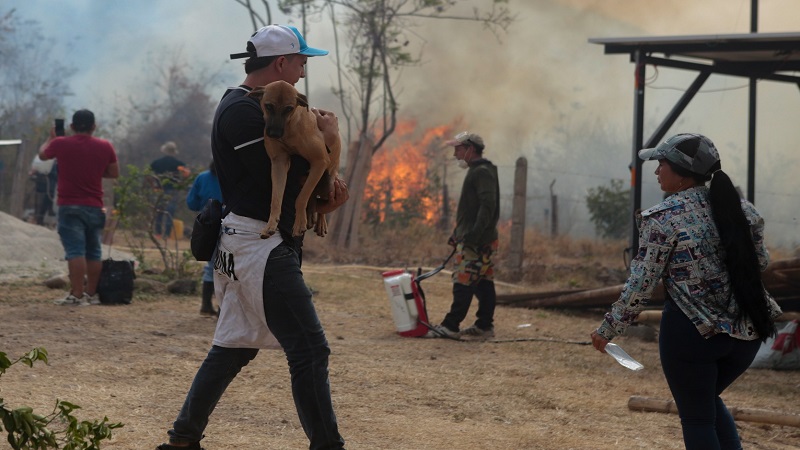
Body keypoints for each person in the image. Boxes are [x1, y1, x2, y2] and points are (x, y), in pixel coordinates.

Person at [157, 24, 349, 450]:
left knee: (233, 348)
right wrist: (328, 158)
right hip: (258, 248)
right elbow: (273, 179)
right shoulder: (245, 112)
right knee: (310, 351)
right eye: (301, 61)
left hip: (248, 245)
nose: (302, 71)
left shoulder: (253, 105)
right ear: (280, 62)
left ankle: (182, 440)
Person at [589, 133, 782, 450]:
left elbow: (641, 283)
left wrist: (608, 329)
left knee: (697, 419)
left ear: (680, 173)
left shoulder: (663, 218)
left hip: (693, 337)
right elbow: (761, 261)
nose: (656, 171)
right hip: (747, 334)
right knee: (705, 404)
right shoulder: (743, 211)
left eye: (661, 164)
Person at [39, 109, 119, 306]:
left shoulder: (60, 143)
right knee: (94, 251)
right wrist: (93, 173)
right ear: (93, 126)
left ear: (72, 126)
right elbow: (113, 172)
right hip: (95, 205)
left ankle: (76, 294)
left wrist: (50, 139)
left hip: (69, 205)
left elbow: (42, 156)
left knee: (75, 250)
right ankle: (91, 294)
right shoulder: (105, 145)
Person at [425, 131, 500, 340]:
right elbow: (474, 210)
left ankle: (451, 326)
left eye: (458, 149)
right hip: (477, 238)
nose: (455, 154)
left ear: (470, 149)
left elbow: (488, 207)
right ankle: (484, 326)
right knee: (484, 282)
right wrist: (459, 233)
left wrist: (472, 236)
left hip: (477, 241)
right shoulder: (478, 171)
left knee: (463, 281)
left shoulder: (481, 172)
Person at [185, 160, 223, 316]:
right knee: (229, 267)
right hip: (231, 222)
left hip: (207, 224)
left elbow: (191, 203)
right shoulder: (233, 175)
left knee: (211, 265)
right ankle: (223, 308)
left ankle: (206, 305)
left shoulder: (202, 177)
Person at [150, 141, 190, 239]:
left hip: (159, 189)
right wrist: (181, 183)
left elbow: (149, 175)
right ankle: (167, 235)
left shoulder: (156, 163)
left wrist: (153, 186)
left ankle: (158, 233)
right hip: (173, 190)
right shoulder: (178, 164)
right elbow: (186, 174)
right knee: (170, 212)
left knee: (159, 211)